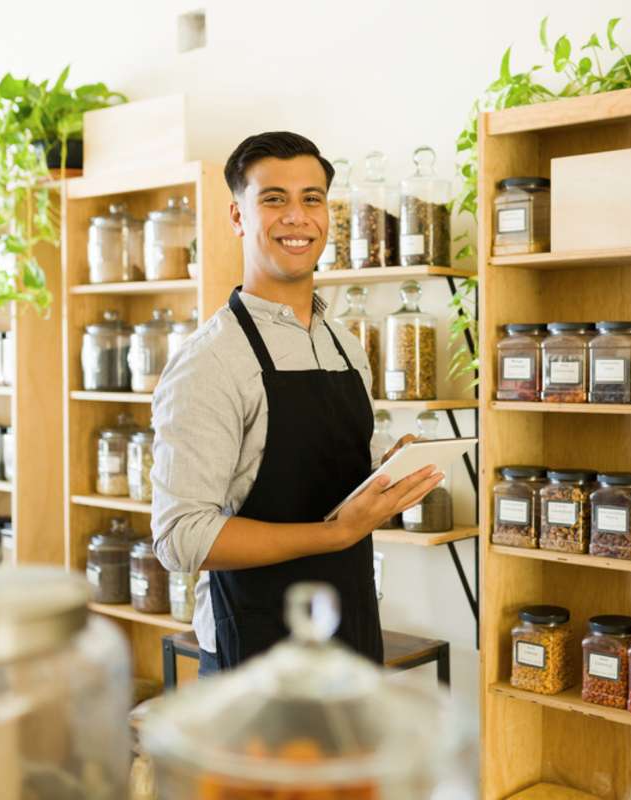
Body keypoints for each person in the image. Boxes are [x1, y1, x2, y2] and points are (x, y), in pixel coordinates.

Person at [151, 131, 442, 674]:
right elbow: (180, 537)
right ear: (237, 217)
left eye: (311, 199)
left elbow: (320, 473)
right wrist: (335, 533)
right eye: (273, 199)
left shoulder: (345, 344)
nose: (297, 216)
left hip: (350, 631)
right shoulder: (209, 361)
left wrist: (385, 471)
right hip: (256, 651)